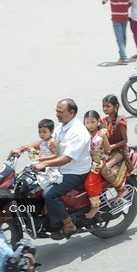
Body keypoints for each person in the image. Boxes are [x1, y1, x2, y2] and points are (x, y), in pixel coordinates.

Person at [34, 99, 91, 239]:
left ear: (71, 113)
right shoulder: (62, 126)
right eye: (56, 111)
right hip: (60, 169)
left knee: (49, 194)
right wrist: (22, 148)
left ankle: (68, 224)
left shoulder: (78, 132)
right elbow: (46, 141)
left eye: (60, 111)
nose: (57, 114)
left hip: (74, 172)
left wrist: (44, 164)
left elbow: (67, 158)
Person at [11, 118, 60, 191]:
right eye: (39, 132)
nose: (41, 134)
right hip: (41, 161)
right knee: (26, 171)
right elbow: (43, 151)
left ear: (52, 131)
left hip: (49, 165)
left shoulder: (52, 141)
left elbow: (55, 155)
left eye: (44, 132)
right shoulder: (43, 141)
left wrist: (44, 158)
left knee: (37, 178)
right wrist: (34, 152)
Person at [102, 0, 132, 65]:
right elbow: (130, 2)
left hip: (116, 18)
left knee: (119, 38)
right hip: (125, 17)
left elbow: (103, 1)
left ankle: (124, 58)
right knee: (123, 36)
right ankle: (121, 55)